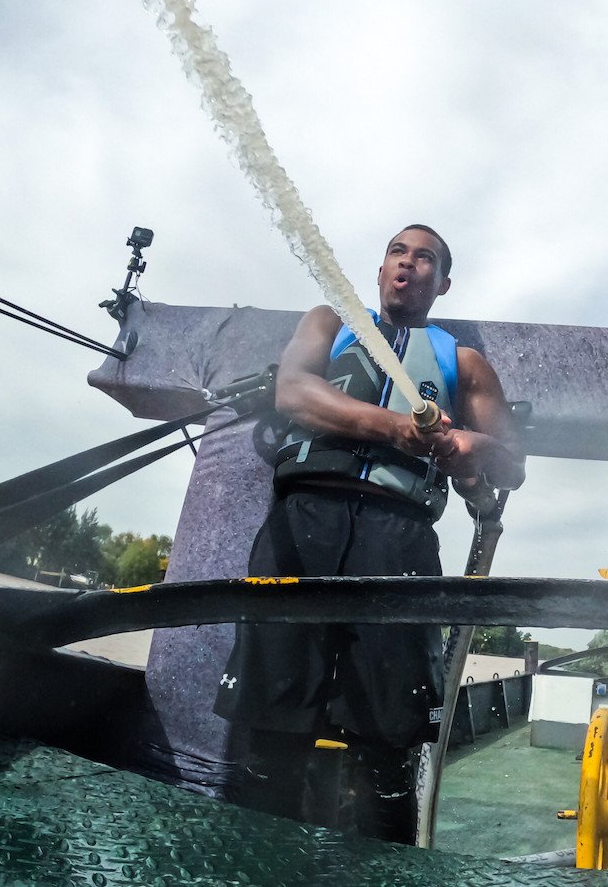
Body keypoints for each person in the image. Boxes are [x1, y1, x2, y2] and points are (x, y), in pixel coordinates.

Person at [214, 224, 525, 842]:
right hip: (303, 527)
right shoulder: (329, 323)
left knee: (387, 739)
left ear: (443, 282)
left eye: (425, 259)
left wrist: (472, 444)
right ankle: (253, 864)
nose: (408, 265)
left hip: (399, 539)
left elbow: (511, 463)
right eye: (397, 254)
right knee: (269, 724)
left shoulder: (464, 363)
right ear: (382, 270)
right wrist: (393, 428)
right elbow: (295, 391)